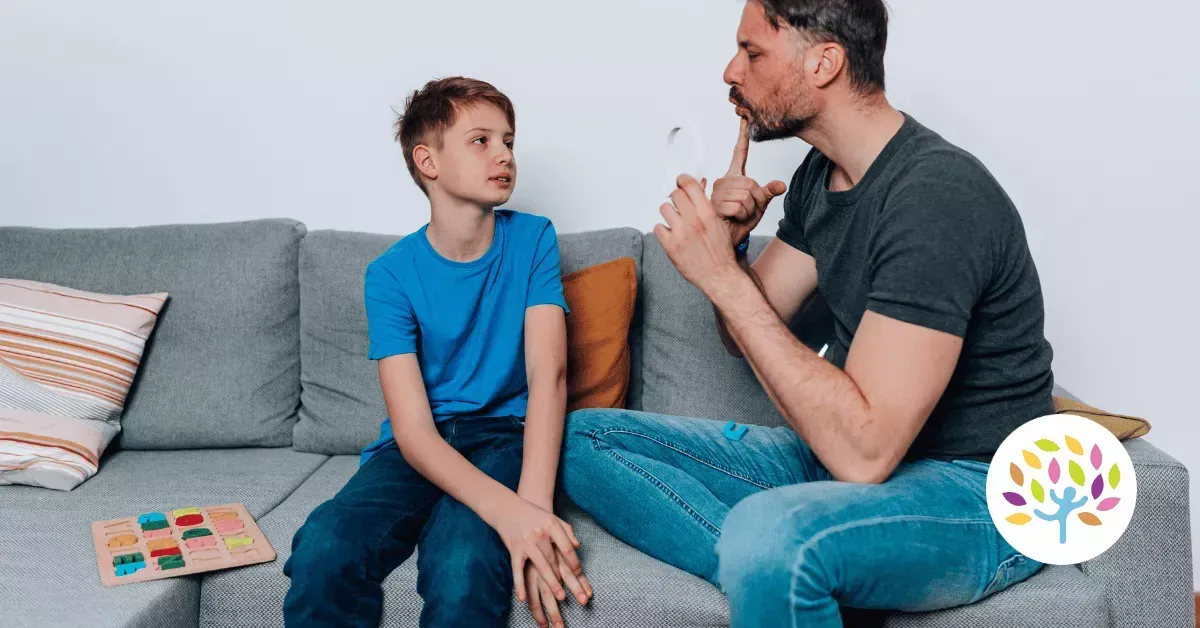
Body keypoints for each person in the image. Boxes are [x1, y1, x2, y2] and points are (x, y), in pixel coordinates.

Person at [561, 0, 1054, 625]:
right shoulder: (823, 176)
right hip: (837, 461)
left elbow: (865, 454)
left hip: (976, 488)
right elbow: (746, 331)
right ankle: (779, 570)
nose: (730, 71)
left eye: (752, 52)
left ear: (824, 63)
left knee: (771, 534)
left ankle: (776, 561)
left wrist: (719, 276)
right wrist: (732, 251)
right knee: (584, 439)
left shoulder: (935, 198)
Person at [283, 76, 591, 628]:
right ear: (428, 161)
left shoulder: (533, 238)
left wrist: (532, 510)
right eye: (481, 141)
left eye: (509, 141)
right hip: (419, 446)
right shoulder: (389, 275)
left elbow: (551, 375)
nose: (504, 154)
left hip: (505, 436)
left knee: (462, 560)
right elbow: (414, 433)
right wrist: (508, 512)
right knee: (323, 546)